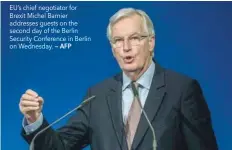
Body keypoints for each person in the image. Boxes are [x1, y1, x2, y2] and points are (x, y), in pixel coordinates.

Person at [19, 8, 218, 150]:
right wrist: (34, 119)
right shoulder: (97, 95)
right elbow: (59, 147)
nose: (126, 48)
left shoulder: (182, 89)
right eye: (118, 41)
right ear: (112, 49)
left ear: (151, 42)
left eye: (134, 38)